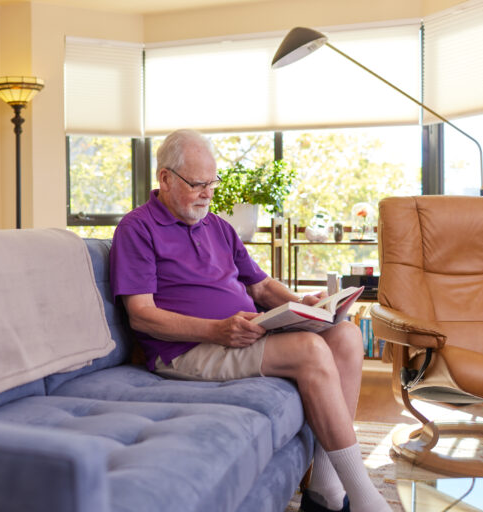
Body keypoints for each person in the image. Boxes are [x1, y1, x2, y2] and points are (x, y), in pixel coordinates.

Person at [109, 129, 390, 512]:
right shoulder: (136, 228)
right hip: (188, 349)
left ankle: (326, 488)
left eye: (212, 182)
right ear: (165, 179)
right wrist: (216, 330)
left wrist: (305, 305)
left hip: (243, 333)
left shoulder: (219, 227)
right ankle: (364, 498)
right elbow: (141, 316)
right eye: (198, 184)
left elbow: (260, 287)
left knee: (345, 335)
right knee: (309, 350)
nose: (208, 193)